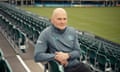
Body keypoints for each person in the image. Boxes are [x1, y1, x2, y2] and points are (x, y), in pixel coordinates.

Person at [34, 8, 91, 72]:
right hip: (61, 68)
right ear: (52, 20)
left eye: (64, 19)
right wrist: (56, 57)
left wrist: (67, 55)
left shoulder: (72, 31)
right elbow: (37, 56)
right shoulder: (46, 34)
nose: (62, 22)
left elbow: (78, 52)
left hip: (76, 65)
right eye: (59, 19)